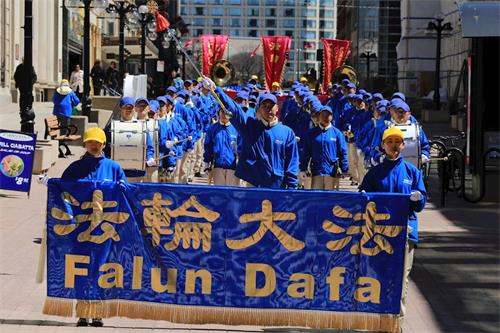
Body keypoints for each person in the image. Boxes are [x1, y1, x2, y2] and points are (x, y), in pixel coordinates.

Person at [359, 127, 426, 329]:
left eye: (398, 142)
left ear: (403, 146)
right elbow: (362, 198)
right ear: (383, 145)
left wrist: (418, 197)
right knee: (379, 278)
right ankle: (379, 323)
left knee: (401, 282)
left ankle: (397, 325)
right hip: (379, 235)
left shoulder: (412, 172)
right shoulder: (375, 173)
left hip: (405, 234)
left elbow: (420, 205)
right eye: (390, 142)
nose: (394, 146)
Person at [59, 127, 126, 327]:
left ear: (104, 144)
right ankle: (82, 312)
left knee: (101, 269)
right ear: (85, 144)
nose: (94, 145)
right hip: (81, 230)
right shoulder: (74, 168)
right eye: (90, 142)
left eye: (97, 142)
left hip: (105, 230)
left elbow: (125, 195)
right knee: (81, 269)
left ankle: (98, 313)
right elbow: (62, 191)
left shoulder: (113, 168)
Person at [203, 76, 299, 189]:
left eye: (271, 106)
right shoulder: (250, 126)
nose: (268, 109)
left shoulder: (287, 133)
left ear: (277, 108)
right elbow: (235, 110)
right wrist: (216, 90)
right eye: (264, 106)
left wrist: (292, 187)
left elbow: (292, 161)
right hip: (254, 184)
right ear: (258, 109)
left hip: (278, 185)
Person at [300, 106, 348, 190]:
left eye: (328, 115)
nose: (326, 117)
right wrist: (303, 168)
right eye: (323, 115)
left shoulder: (337, 133)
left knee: (330, 198)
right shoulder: (312, 133)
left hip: (332, 172)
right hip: (316, 172)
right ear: (319, 116)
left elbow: (343, 152)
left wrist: (344, 169)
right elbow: (306, 152)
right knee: (317, 198)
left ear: (332, 117)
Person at [203, 108, 240, 186]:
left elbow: (241, 147)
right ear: (218, 113)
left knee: (231, 195)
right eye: (222, 112)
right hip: (217, 167)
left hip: (233, 168)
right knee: (219, 195)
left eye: (226, 112)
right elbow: (208, 146)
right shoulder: (212, 129)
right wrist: (206, 163)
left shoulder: (236, 129)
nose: (224, 114)